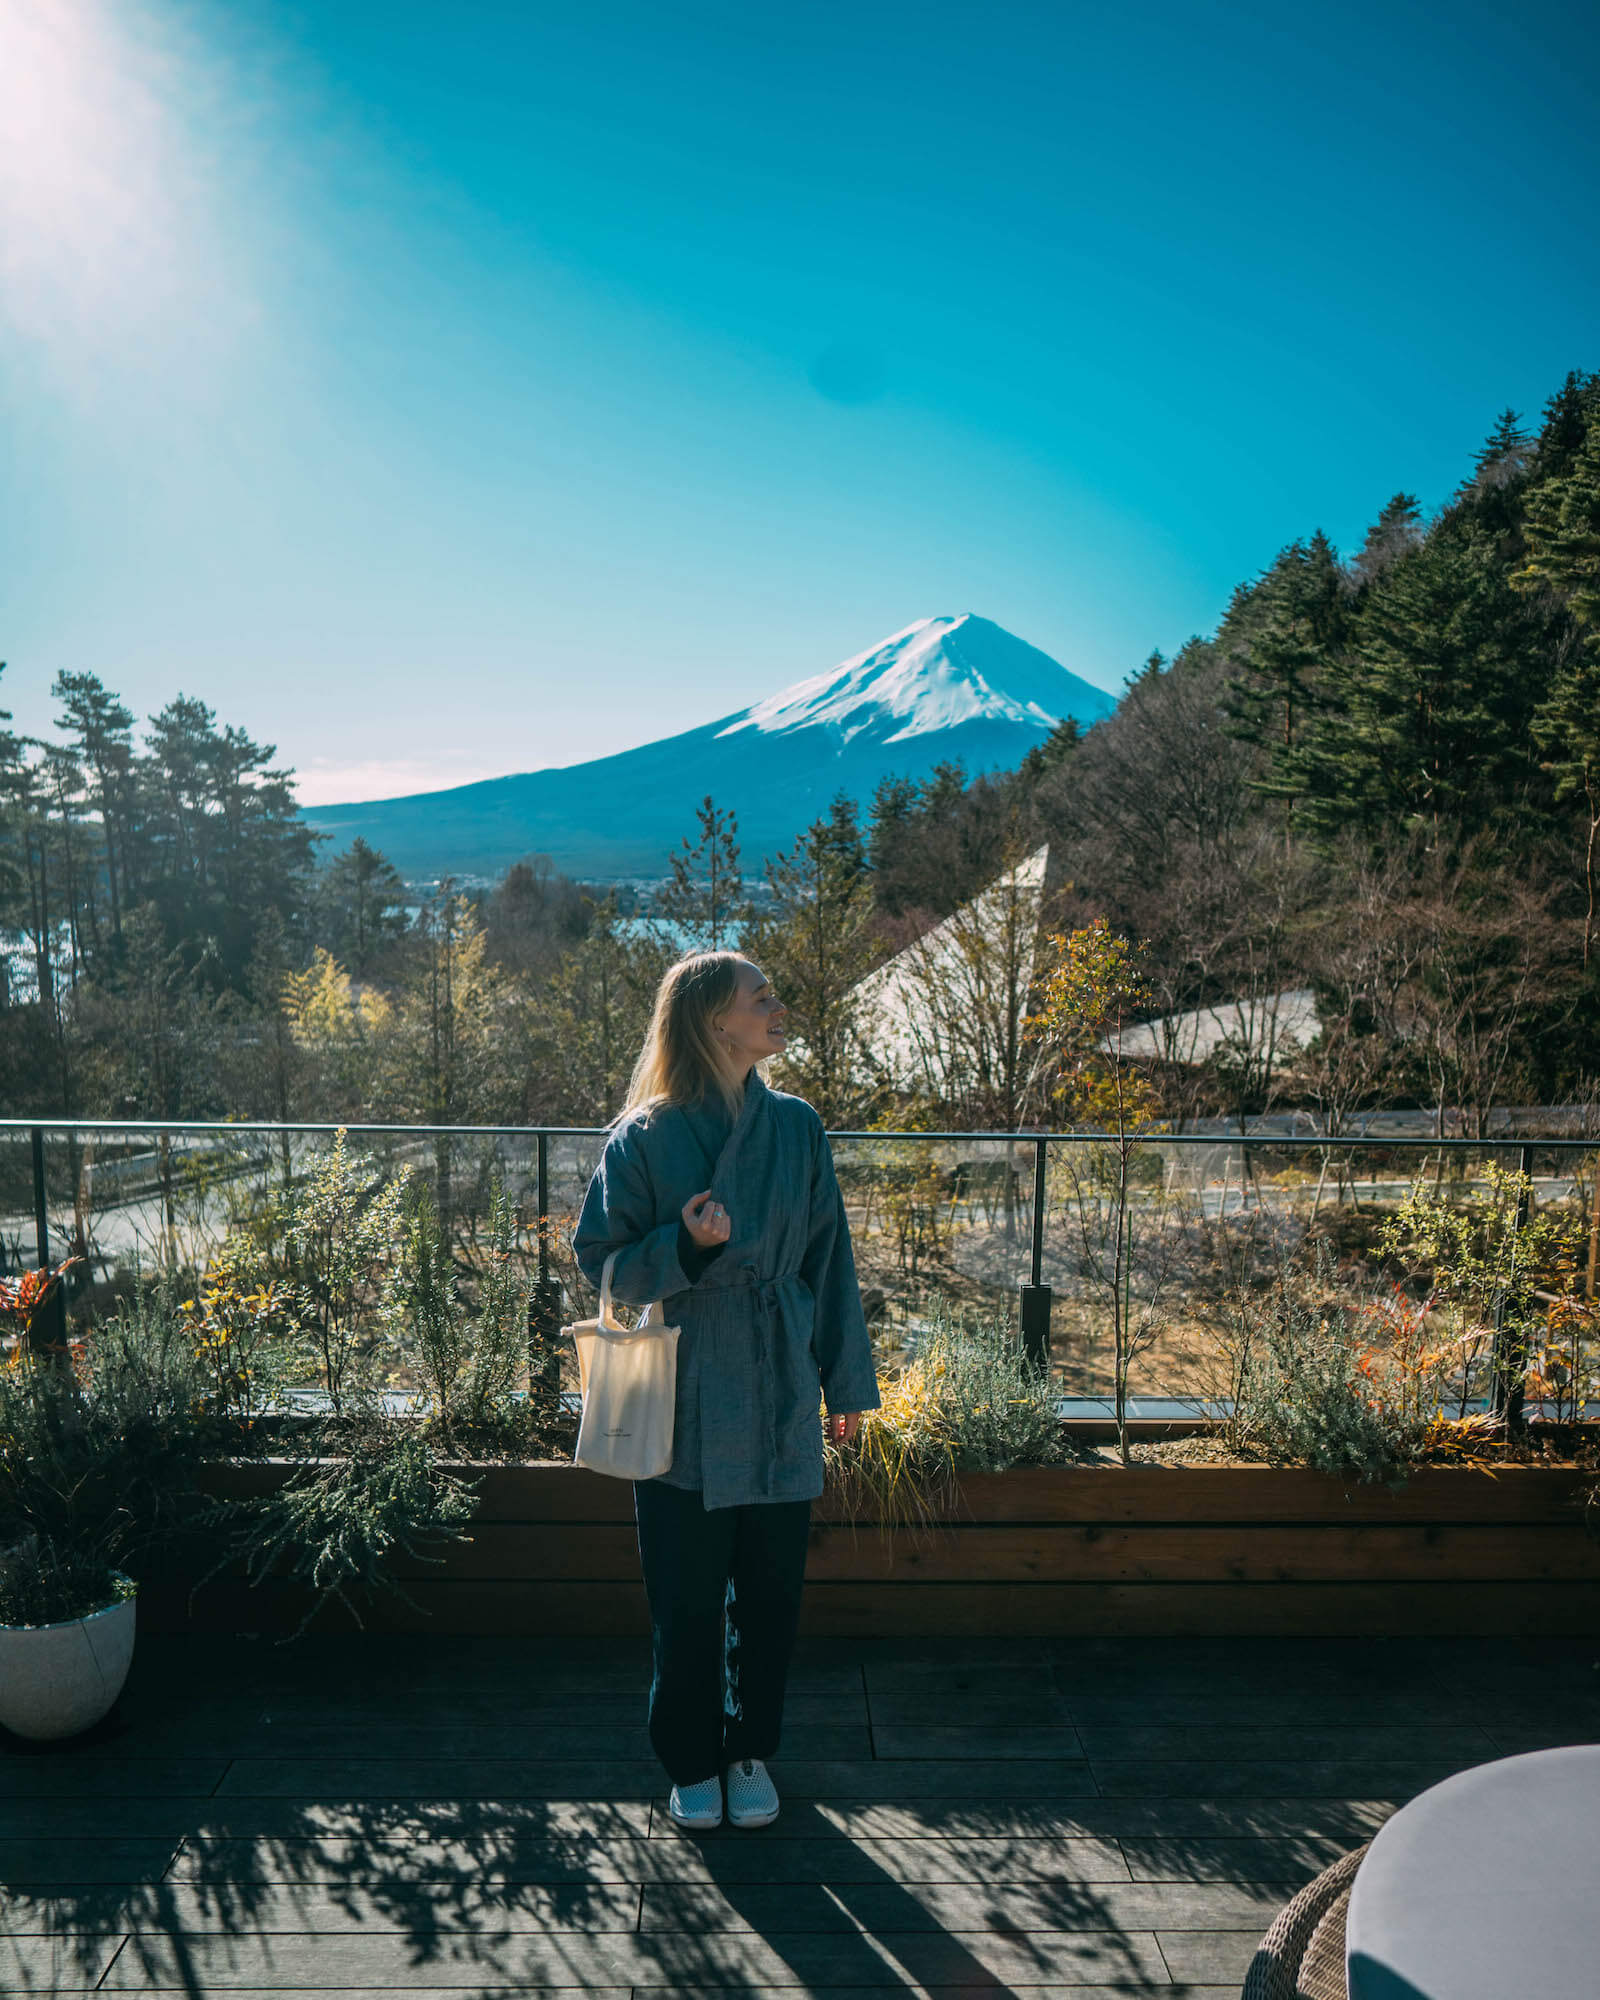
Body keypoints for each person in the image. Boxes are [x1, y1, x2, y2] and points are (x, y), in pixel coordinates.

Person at [573, 951, 880, 1831]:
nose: (780, 1010)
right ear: (716, 1021)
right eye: (763, 999)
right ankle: (690, 1760)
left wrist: (845, 1385)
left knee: (773, 1587)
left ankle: (749, 1749)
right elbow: (599, 1264)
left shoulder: (797, 1127)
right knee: (686, 1591)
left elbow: (830, 1262)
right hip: (685, 1386)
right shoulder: (642, 1137)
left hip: (780, 1376)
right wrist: (686, 1246)